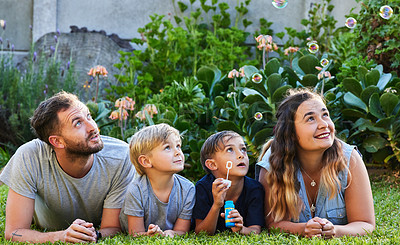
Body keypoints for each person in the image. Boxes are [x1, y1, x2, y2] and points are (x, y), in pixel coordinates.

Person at [0, 91, 134, 243]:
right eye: (78, 123)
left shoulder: (121, 156)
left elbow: (112, 228)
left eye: (88, 116)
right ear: (57, 142)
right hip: (43, 222)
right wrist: (61, 236)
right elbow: (14, 232)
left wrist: (94, 235)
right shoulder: (29, 156)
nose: (92, 127)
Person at [256, 88, 375, 238]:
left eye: (325, 115)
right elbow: (273, 224)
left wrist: (335, 231)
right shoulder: (273, 163)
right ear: (291, 133)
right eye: (310, 118)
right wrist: (303, 229)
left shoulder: (349, 159)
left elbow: (365, 223)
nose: (324, 124)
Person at [119, 123, 195, 237]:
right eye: (167, 147)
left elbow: (182, 231)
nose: (178, 152)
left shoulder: (188, 189)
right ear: (146, 161)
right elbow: (135, 234)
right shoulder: (136, 190)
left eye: (178, 146)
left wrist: (170, 233)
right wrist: (149, 235)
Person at [193, 131, 264, 235]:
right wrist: (217, 205)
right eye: (230, 149)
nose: (241, 155)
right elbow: (201, 232)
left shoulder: (255, 189)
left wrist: (241, 229)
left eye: (243, 149)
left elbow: (255, 230)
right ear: (212, 164)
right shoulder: (203, 187)